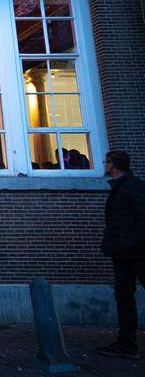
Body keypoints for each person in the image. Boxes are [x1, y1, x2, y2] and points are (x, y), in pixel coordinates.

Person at [97, 150, 145, 360]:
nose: (104, 165)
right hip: (123, 253)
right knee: (123, 296)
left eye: (106, 162)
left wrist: (128, 243)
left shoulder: (133, 188)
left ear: (113, 165)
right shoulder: (121, 187)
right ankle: (126, 343)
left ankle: (127, 343)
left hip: (137, 253)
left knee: (124, 296)